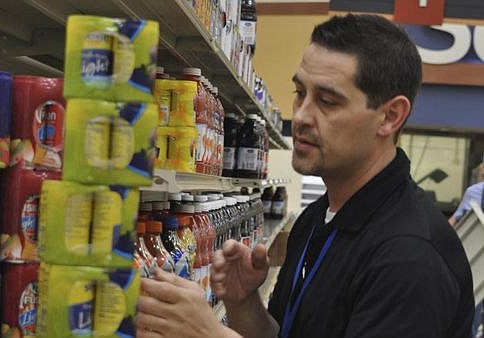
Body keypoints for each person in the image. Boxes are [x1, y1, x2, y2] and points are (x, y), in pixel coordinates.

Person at [136, 14, 474, 338]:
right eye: (300, 93)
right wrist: (244, 304)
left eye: (327, 101)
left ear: (390, 116)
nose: (300, 116)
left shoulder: (410, 257)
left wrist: (208, 334)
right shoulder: (317, 219)